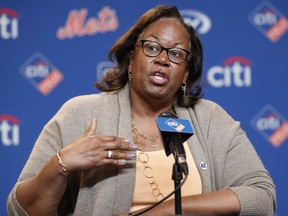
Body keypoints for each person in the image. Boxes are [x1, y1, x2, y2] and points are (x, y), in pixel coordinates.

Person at [7, 5, 276, 216]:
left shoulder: (210, 119)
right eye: (152, 47)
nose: (162, 59)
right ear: (131, 59)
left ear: (185, 74)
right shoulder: (81, 114)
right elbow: (22, 211)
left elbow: (262, 196)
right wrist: (61, 164)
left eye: (176, 54)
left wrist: (164, 211)